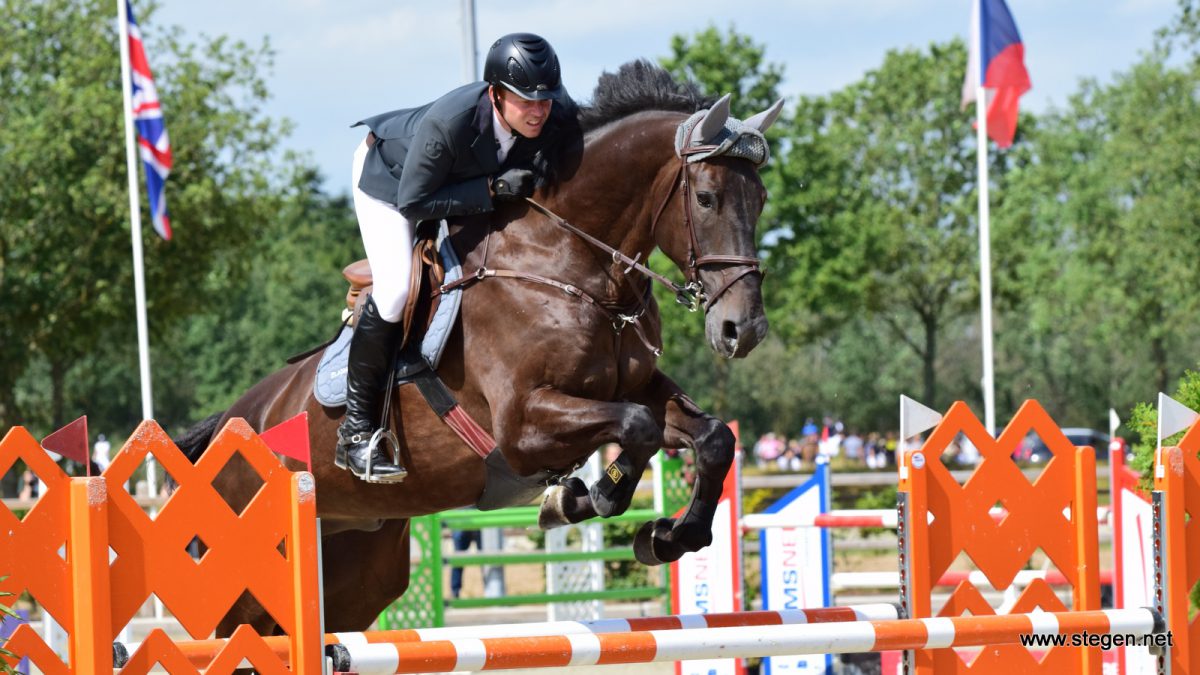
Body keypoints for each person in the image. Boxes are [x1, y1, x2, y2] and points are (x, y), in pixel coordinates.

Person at [337, 33, 580, 483]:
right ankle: (355, 435)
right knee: (395, 291)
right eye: (527, 101)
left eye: (546, 100)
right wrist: (489, 191)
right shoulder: (450, 123)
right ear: (496, 94)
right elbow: (414, 202)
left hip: (452, 184)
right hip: (391, 184)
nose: (538, 111)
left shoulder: (555, 113)